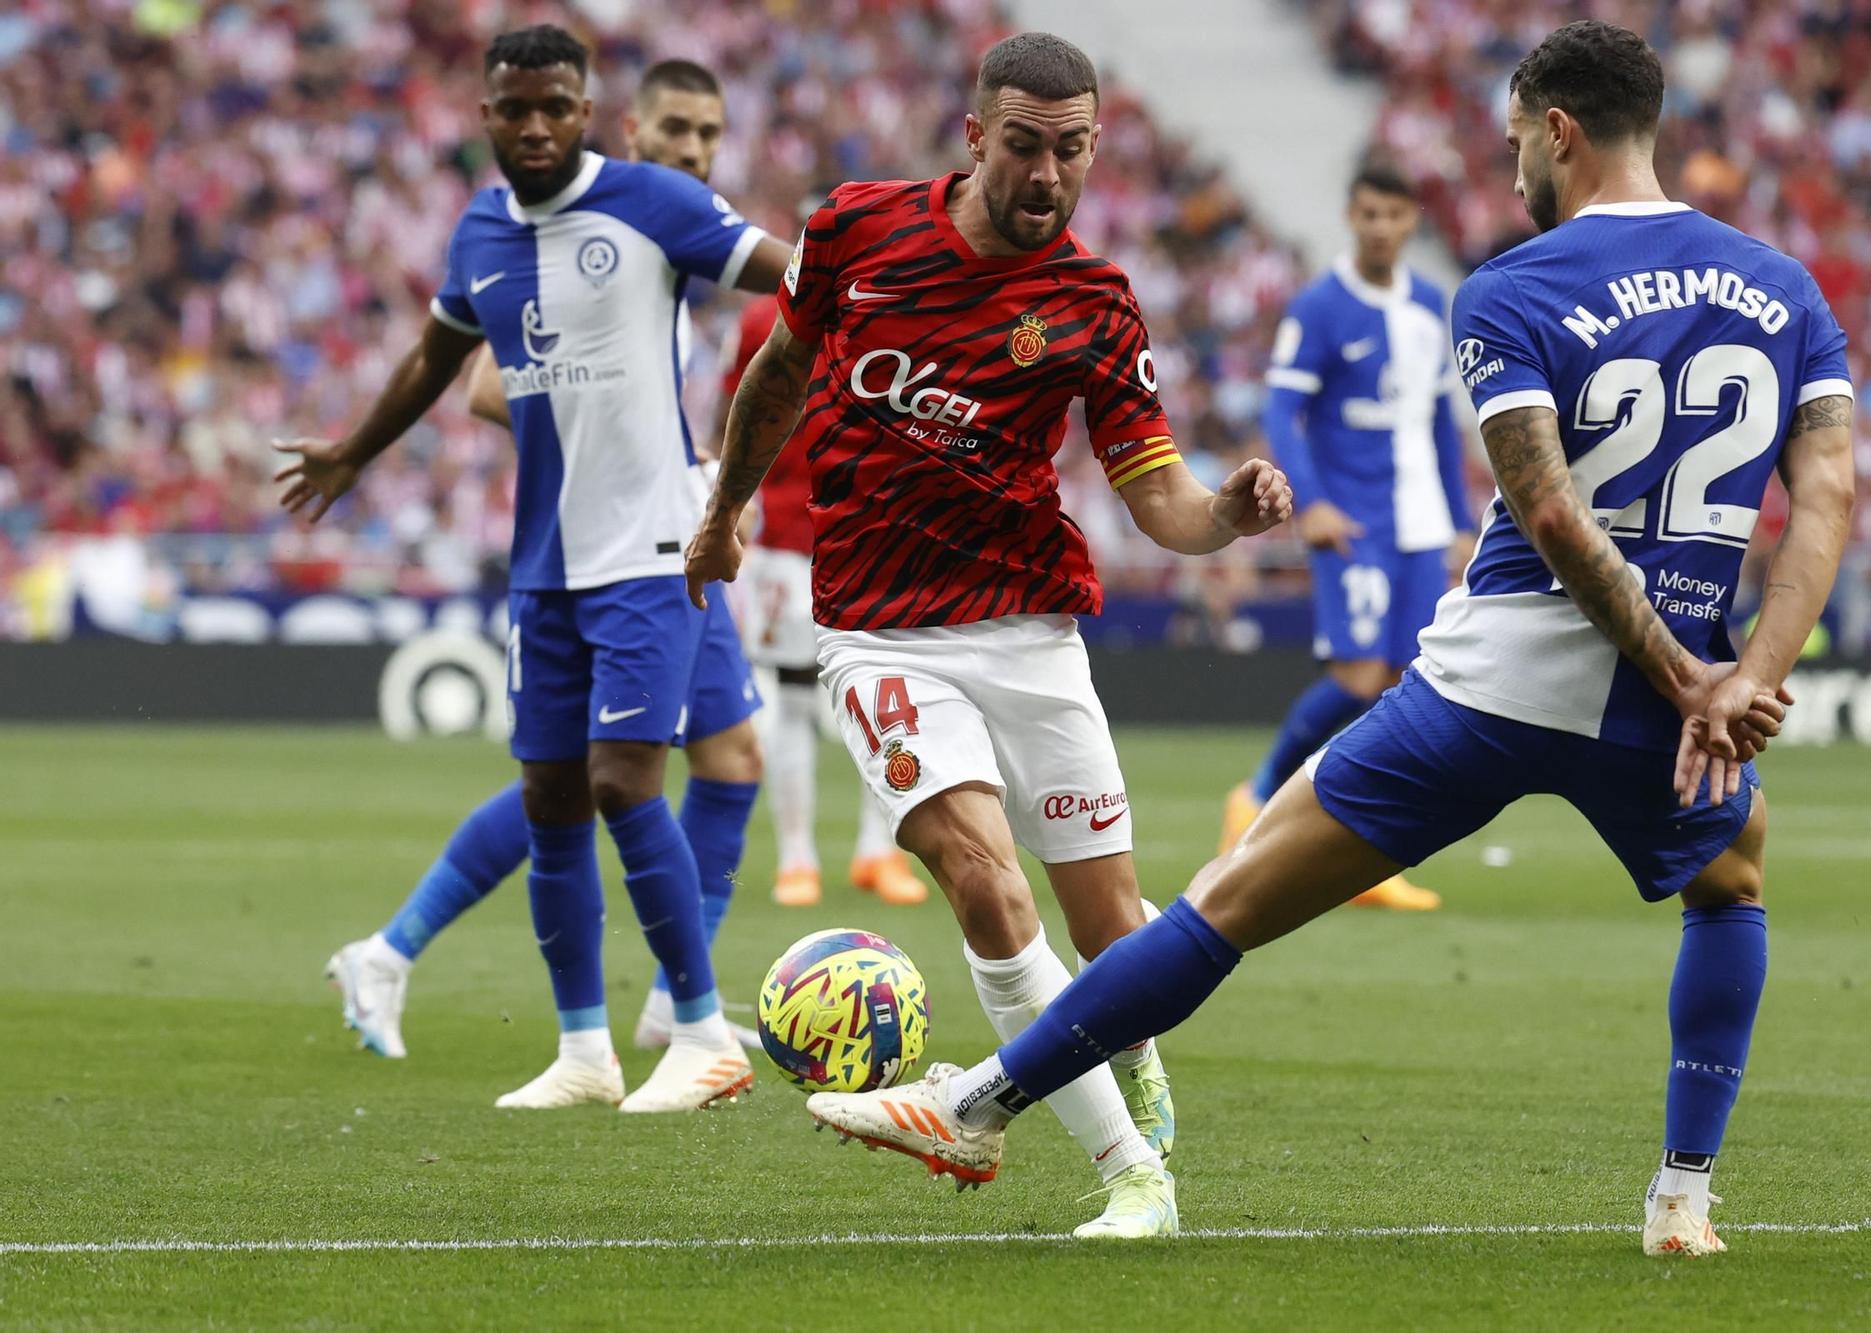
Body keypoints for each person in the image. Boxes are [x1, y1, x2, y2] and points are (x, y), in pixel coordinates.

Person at [802, 20, 1854, 1262]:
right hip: (1666, 715)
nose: (1512, 161)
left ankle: (976, 1106)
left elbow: (1549, 512)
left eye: (1517, 136)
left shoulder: (1511, 286)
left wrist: (1686, 673)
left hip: (1497, 679)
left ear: (1557, 131)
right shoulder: (1782, 286)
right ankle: (1681, 1200)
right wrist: (1736, 681)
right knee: (1731, 888)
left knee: (1221, 905)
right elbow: (1826, 492)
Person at [683, 32, 1293, 1238]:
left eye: (1071, 151)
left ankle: (1121, 1058)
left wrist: (1221, 513)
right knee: (982, 881)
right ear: (974, 137)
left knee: (1116, 932)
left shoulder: (1092, 305)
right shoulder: (854, 229)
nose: (1046, 175)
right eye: (1024, 145)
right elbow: (780, 375)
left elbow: (1156, 495)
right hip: (879, 630)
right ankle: (1130, 1177)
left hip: (1028, 627)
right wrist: (722, 512)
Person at [278, 25, 795, 1113]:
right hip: (545, 564)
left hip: (654, 549)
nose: (534, 125)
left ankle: (696, 1029)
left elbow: (796, 278)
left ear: (586, 110)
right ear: (485, 117)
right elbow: (437, 358)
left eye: (554, 105)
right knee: (554, 793)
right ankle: (581, 1049)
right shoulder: (478, 229)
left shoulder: (653, 203)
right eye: (514, 108)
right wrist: (355, 450)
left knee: (625, 780)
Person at [1221, 163, 1478, 912]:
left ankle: (1358, 851)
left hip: (1419, 522)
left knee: (1402, 684)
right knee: (1360, 675)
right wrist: (1314, 503)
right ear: (1350, 216)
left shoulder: (1432, 305)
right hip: (1354, 521)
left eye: (1393, 215)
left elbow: (1436, 420)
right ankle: (1258, 792)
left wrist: (1460, 519)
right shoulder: (1321, 306)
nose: (1379, 228)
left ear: (1411, 222)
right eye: (1367, 213)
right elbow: (1282, 412)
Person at [722, 292, 928, 909]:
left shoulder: (903, 308)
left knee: (891, 695)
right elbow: (740, 410)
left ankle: (878, 850)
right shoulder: (765, 319)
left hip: (877, 526)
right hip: (786, 532)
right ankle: (796, 858)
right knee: (789, 696)